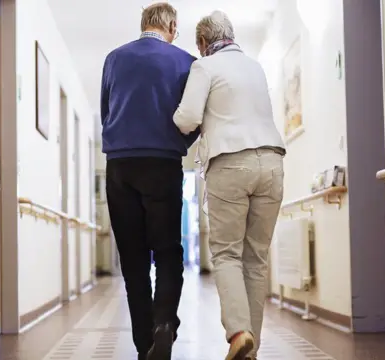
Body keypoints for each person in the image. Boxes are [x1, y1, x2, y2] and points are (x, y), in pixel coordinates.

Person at [173, 11, 286, 360]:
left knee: (226, 254)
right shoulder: (255, 66)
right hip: (272, 163)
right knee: (256, 259)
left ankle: (238, 333)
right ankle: (250, 351)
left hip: (230, 163)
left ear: (203, 44)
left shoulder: (205, 67)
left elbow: (187, 118)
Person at [100, 3, 199, 360]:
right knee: (169, 251)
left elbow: (106, 111)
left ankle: (145, 344)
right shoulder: (186, 61)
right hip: (163, 162)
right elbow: (194, 117)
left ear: (143, 25)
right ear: (171, 26)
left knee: (133, 259)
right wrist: (178, 145)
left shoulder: (113, 58)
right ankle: (164, 325)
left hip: (121, 165)